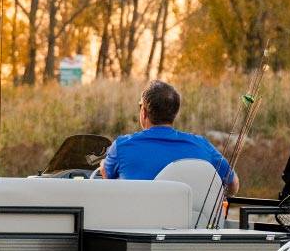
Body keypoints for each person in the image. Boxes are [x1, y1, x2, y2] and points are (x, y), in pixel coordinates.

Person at [98, 80, 238, 191]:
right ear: (174, 113)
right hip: (192, 226)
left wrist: (104, 166)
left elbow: (108, 181)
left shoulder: (122, 146)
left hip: (139, 225)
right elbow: (233, 185)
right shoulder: (203, 146)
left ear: (144, 112)